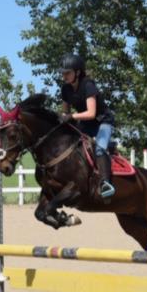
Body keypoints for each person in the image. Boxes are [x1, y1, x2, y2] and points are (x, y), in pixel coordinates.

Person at [59, 53, 116, 198]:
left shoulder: (88, 85)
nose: (64, 76)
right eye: (63, 73)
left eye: (67, 73)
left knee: (99, 149)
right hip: (85, 124)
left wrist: (71, 116)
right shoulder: (65, 89)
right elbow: (65, 112)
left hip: (102, 122)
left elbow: (91, 113)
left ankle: (106, 184)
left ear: (77, 72)